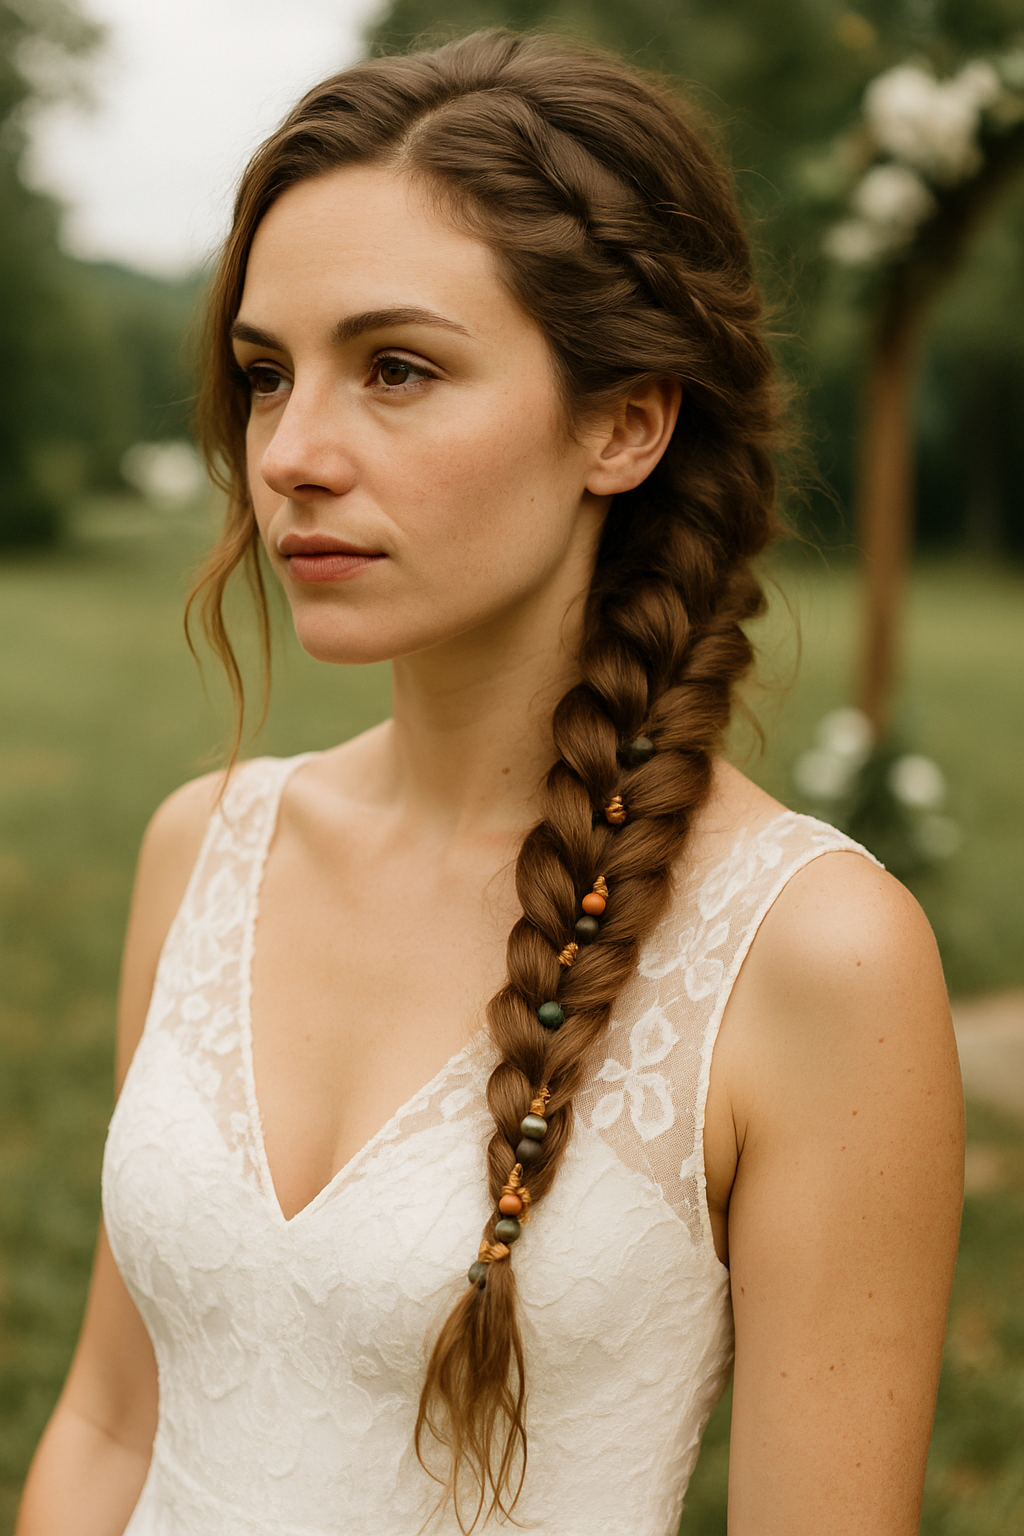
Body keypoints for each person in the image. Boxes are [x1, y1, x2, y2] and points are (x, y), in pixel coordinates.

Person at [16, 29, 964, 1536]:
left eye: (397, 368)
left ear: (624, 422)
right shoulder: (205, 845)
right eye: (268, 376)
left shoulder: (811, 957)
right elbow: (113, 1419)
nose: (294, 455)